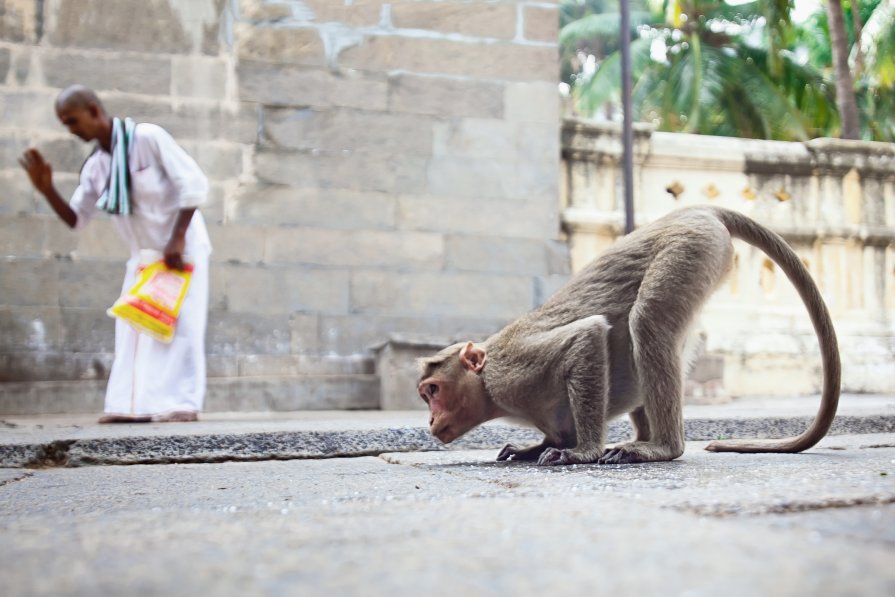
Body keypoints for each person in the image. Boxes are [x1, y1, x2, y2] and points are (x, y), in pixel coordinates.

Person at [19, 85, 212, 424]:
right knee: (132, 326)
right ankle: (129, 406)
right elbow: (77, 219)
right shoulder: (96, 166)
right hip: (144, 257)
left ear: (94, 111)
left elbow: (193, 184)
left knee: (183, 327)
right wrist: (47, 190)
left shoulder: (147, 139)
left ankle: (183, 404)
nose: (71, 130)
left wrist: (178, 239)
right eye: (65, 124)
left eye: (73, 121)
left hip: (182, 250)